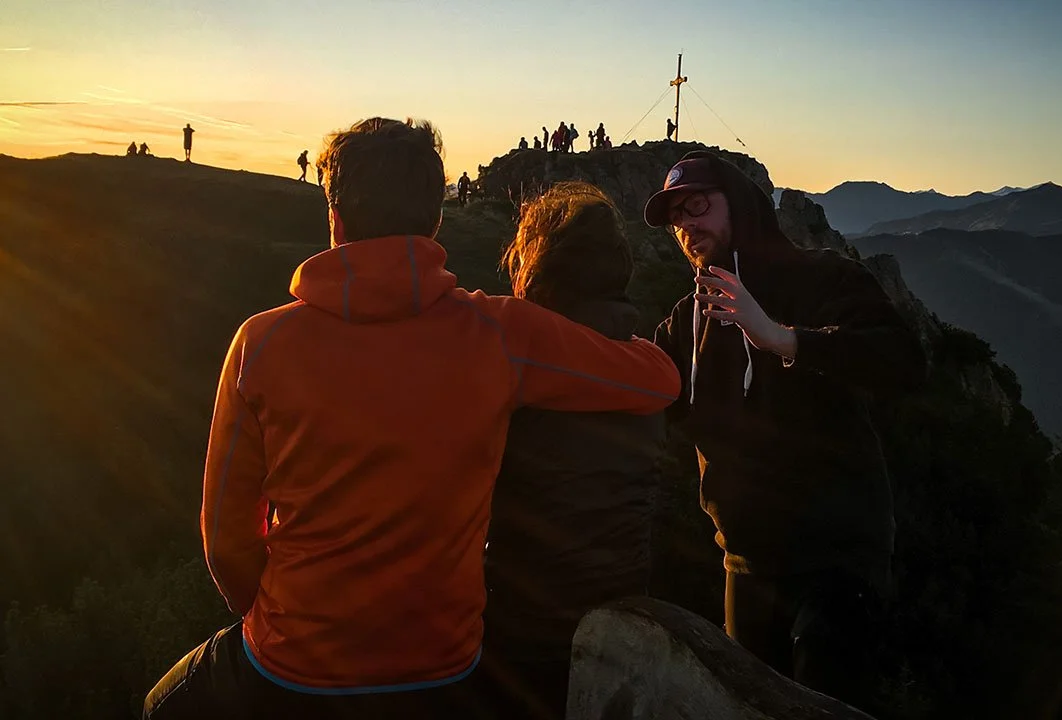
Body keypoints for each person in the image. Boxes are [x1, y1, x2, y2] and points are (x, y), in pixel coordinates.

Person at [142, 117, 680, 719]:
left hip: (293, 662)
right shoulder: (499, 333)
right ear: (435, 219)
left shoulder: (260, 343)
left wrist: (289, 621)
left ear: (335, 217)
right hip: (443, 665)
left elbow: (226, 539)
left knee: (161, 705)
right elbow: (656, 379)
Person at [644, 151, 926, 712]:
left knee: (823, 707)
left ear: (738, 205)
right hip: (745, 561)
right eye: (676, 217)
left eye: (697, 205)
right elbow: (641, 389)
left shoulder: (821, 276)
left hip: (837, 557)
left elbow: (904, 361)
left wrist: (782, 338)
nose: (686, 225)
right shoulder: (686, 319)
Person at [479, 182, 665, 719]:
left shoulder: (513, 364)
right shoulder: (643, 368)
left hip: (521, 624)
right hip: (620, 615)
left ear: (538, 272)